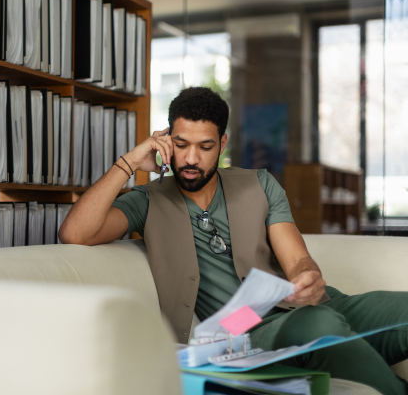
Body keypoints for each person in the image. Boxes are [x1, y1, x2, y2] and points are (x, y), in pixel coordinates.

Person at [58, 87, 408, 395]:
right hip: (247, 334)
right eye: (181, 144)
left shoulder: (259, 184)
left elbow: (296, 258)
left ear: (222, 144)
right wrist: (131, 161)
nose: (191, 159)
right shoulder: (148, 200)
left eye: (205, 146)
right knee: (323, 327)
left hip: (310, 309)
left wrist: (307, 277)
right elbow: (75, 233)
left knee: (357, 315)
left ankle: (357, 358)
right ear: (166, 140)